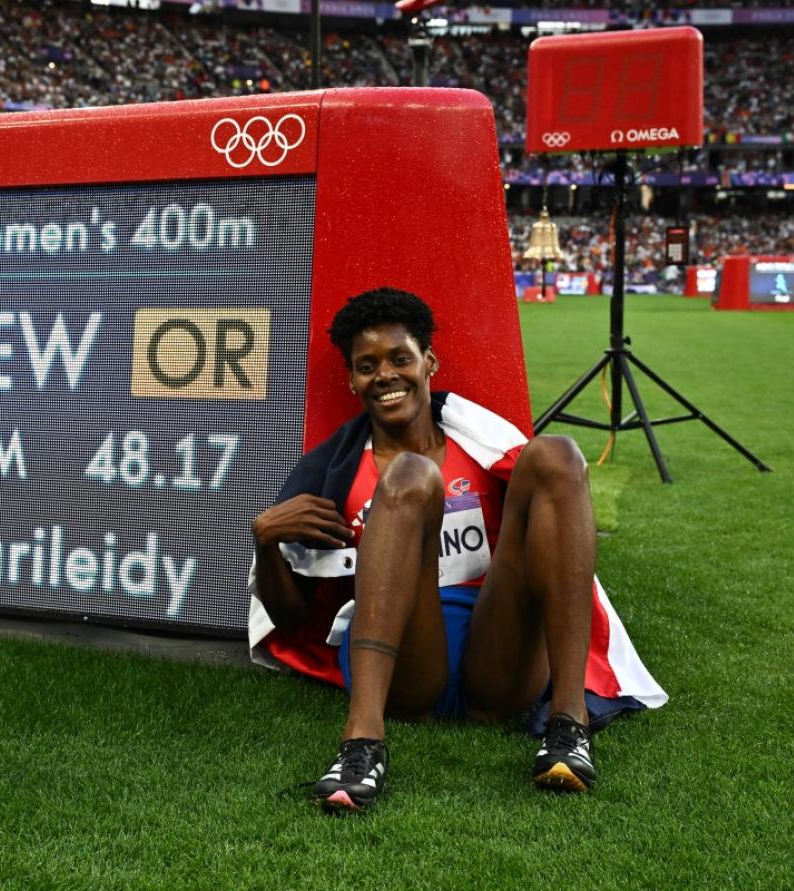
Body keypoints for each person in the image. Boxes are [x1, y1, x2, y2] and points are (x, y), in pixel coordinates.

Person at [248, 287, 665, 813]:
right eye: (366, 366)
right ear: (353, 380)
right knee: (411, 476)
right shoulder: (334, 473)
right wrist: (266, 540)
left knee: (558, 452)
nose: (385, 375)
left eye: (401, 358)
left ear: (429, 362)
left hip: (494, 651)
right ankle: (361, 746)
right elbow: (291, 617)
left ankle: (568, 726)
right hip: (403, 663)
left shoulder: (482, 447)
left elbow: (545, 542)